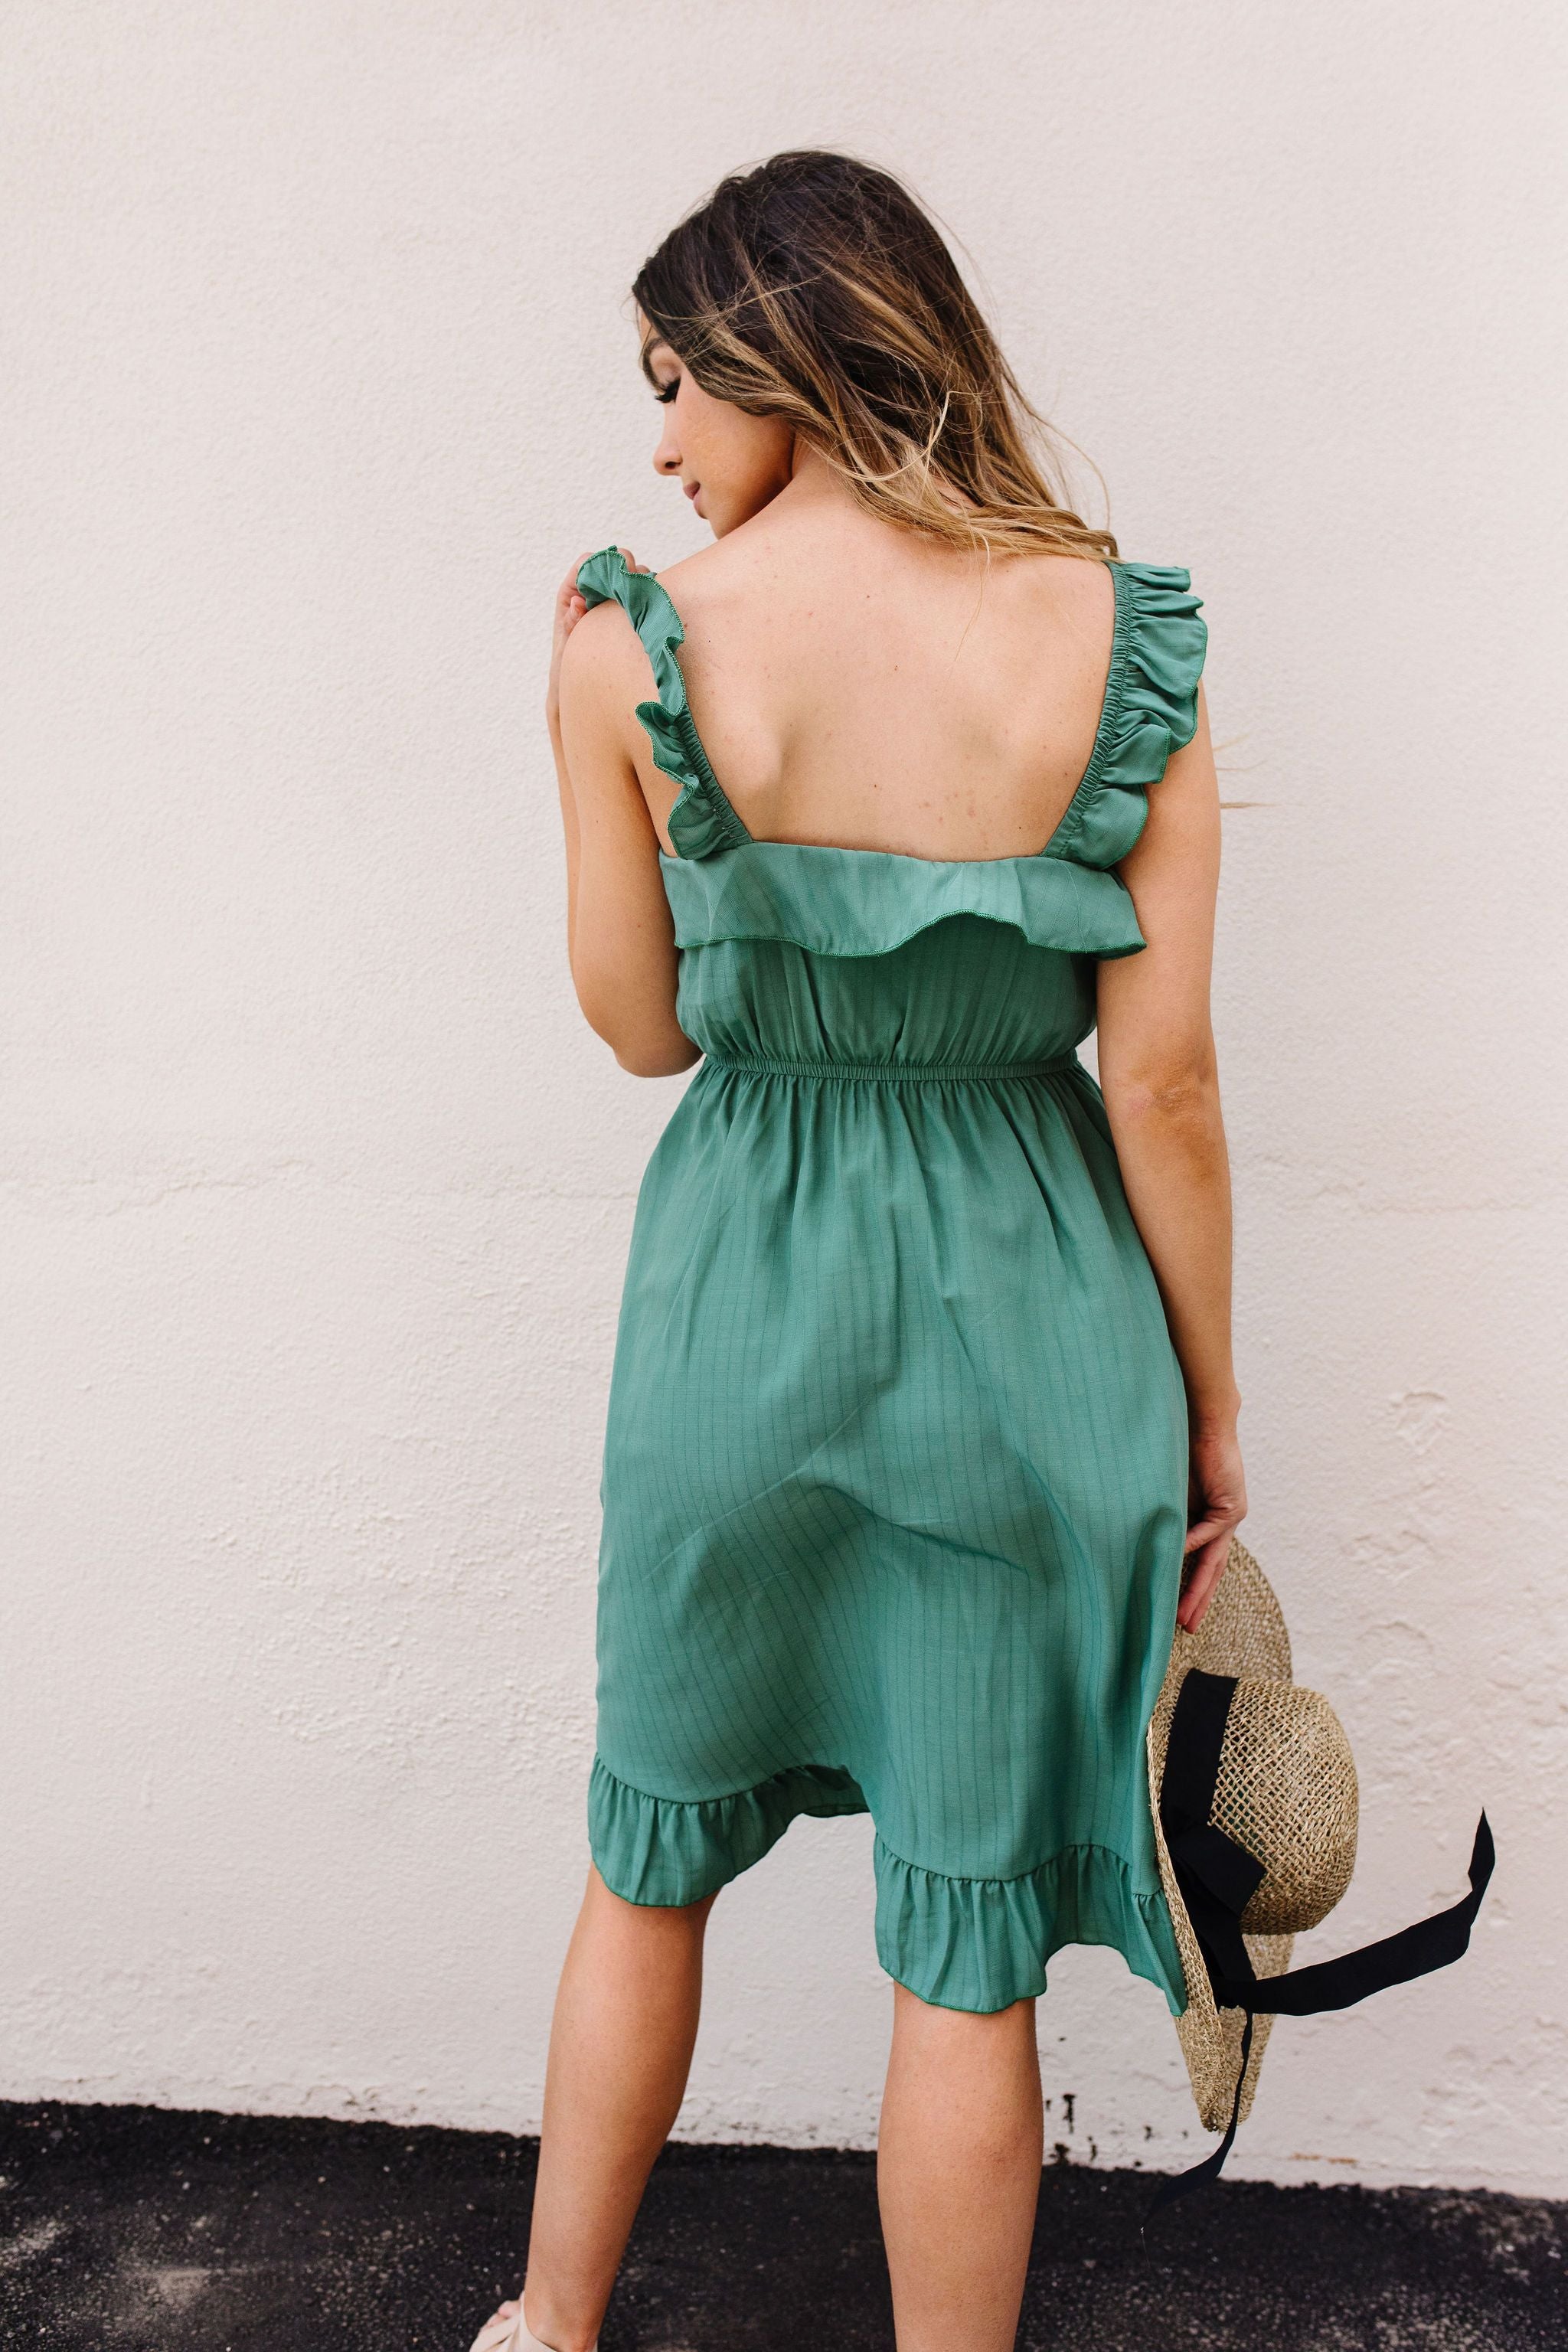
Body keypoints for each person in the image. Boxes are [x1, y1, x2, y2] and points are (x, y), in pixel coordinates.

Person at [472, 148, 1245, 2352]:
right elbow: (1166, 1093)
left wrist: (584, 727)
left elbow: (641, 1034)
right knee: (968, 1941)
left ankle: (547, 2325)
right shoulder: (1123, 636)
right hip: (1036, 1333)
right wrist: (1209, 1416)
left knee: (648, 1860)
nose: (659, 444)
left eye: (674, 385)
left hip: (746, 1308)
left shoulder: (631, 647)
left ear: (772, 362)